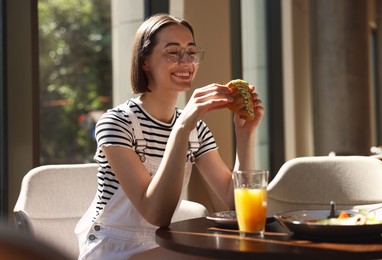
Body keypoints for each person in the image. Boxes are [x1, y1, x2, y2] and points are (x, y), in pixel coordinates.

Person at [75, 13, 264, 259]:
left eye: (191, 52)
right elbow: (156, 214)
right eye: (172, 52)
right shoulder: (117, 123)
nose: (186, 61)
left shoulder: (195, 128)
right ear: (145, 61)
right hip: (113, 247)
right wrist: (182, 128)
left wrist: (245, 134)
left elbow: (236, 204)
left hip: (161, 244)